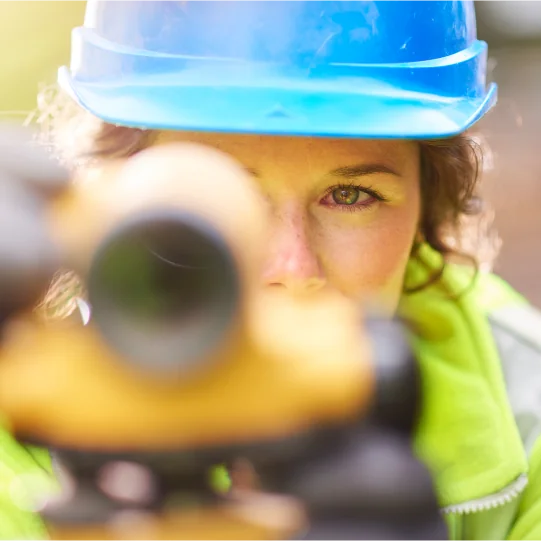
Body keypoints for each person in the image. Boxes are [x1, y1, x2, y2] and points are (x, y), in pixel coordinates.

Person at [3, 0, 541, 540]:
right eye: (227, 193)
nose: (292, 267)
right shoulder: (20, 397)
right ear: (112, 197)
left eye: (350, 196)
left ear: (430, 207)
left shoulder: (527, 404)